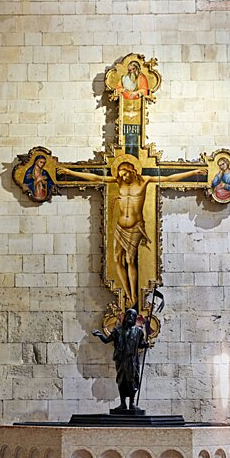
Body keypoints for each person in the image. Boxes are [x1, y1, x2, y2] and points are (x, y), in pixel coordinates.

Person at [60, 160, 199, 306]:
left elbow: (169, 178)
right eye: (121, 175)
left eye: (125, 174)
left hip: (135, 227)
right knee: (116, 259)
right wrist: (70, 172)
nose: (124, 177)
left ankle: (134, 295)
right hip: (120, 227)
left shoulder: (145, 180)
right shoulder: (119, 182)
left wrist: (193, 172)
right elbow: (95, 178)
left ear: (132, 171)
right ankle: (127, 293)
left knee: (129, 260)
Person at [92, 309, 147, 410]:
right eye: (128, 315)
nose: (130, 317)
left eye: (133, 315)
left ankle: (132, 403)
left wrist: (145, 344)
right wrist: (99, 334)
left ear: (135, 318)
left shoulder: (138, 331)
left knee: (132, 380)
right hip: (121, 360)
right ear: (125, 317)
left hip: (132, 360)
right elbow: (107, 340)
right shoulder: (118, 330)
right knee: (122, 380)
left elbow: (140, 344)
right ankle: (123, 403)